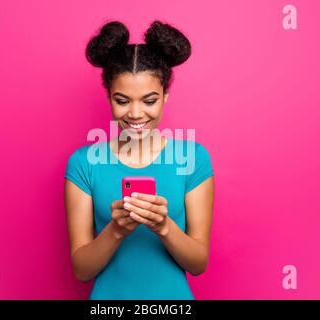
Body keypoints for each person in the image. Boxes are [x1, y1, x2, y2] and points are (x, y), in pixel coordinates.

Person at [64, 20, 214, 299]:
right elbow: (82, 271)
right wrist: (117, 230)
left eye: (149, 100)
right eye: (122, 100)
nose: (135, 113)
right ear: (108, 97)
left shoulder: (193, 159)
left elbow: (198, 264)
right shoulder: (84, 164)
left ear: (165, 96)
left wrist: (164, 227)